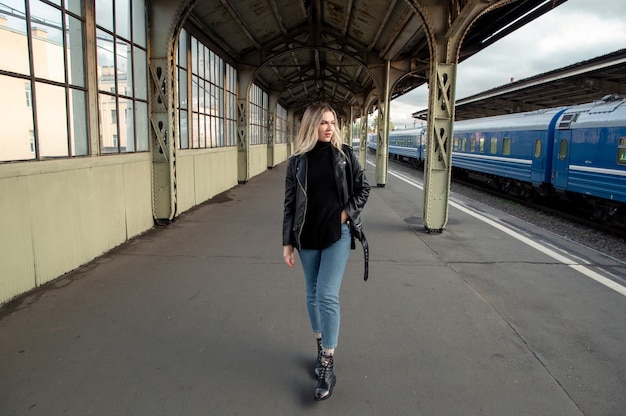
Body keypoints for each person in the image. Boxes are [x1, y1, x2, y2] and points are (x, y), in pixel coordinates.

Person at [282, 102, 370, 401]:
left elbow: (363, 189)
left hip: (336, 234)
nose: (329, 127)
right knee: (311, 292)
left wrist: (343, 216)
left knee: (326, 294)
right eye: (323, 123)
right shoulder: (297, 162)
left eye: (332, 122)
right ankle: (320, 348)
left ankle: (328, 362)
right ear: (310, 126)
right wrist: (287, 242)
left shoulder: (344, 155)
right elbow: (290, 205)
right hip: (306, 237)